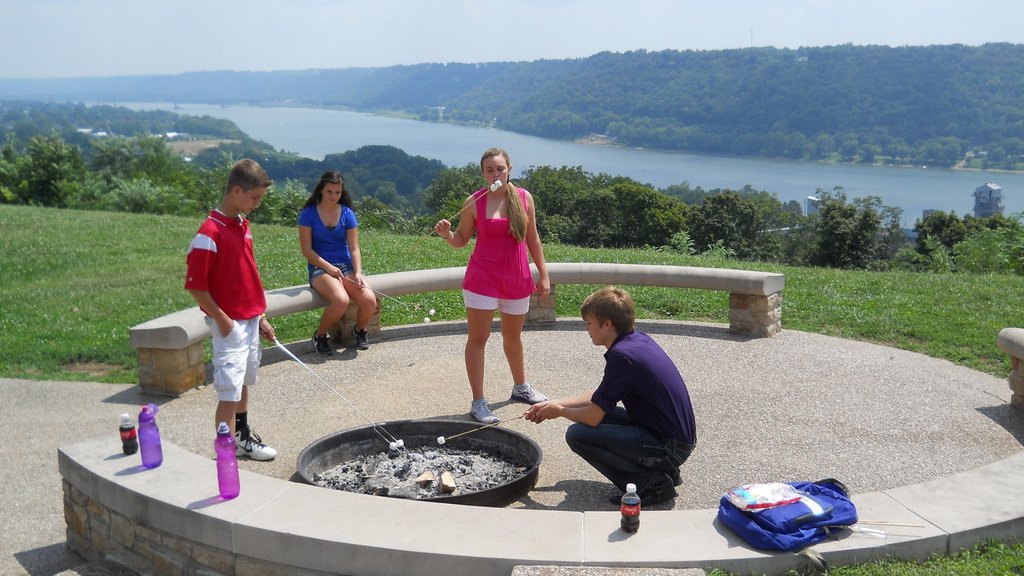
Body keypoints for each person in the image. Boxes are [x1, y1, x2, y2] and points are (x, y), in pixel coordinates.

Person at [524, 286, 697, 506]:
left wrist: (559, 412)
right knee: (601, 416)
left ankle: (652, 483)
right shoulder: (636, 341)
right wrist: (554, 402)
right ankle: (665, 471)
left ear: (607, 324)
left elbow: (593, 416)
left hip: (670, 445)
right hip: (671, 436)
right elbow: (600, 395)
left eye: (589, 323)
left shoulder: (622, 357)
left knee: (578, 434)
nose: (586, 329)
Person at [433, 147, 551, 423]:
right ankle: (478, 402)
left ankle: (521, 388)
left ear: (509, 168)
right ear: (483, 173)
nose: (495, 173)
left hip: (517, 277)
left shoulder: (524, 198)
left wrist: (543, 273)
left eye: (500, 168)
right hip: (482, 279)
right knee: (478, 339)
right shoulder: (474, 201)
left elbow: (532, 238)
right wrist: (446, 234)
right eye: (490, 170)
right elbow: (460, 240)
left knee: (513, 337)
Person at [185, 158, 278, 461]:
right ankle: (224, 454)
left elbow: (248, 276)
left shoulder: (241, 226)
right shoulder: (209, 234)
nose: (257, 204)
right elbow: (196, 286)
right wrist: (222, 320)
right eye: (255, 198)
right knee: (229, 392)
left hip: (249, 319)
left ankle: (242, 437)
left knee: (243, 383)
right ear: (237, 191)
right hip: (229, 324)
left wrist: (260, 316)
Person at [298, 170, 378, 355]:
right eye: (329, 192)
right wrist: (328, 267)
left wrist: (357, 272)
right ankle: (320, 335)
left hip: (346, 266)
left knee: (369, 300)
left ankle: (360, 329)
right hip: (320, 268)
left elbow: (354, 248)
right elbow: (307, 251)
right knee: (340, 300)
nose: (334, 196)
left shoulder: (347, 214)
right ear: (321, 191)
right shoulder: (308, 214)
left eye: (337, 192)